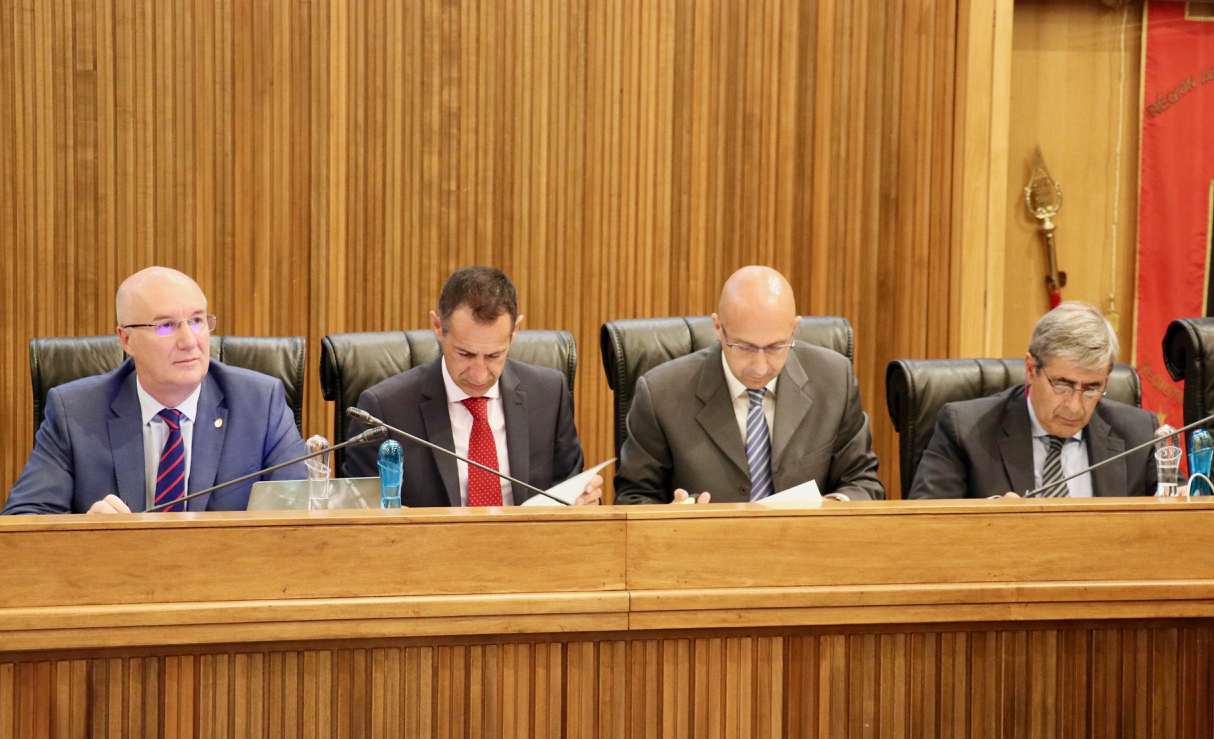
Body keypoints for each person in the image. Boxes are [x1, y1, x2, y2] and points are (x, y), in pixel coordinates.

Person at [2, 267, 307, 515]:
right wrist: (86, 534)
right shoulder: (75, 412)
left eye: (197, 321)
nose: (189, 341)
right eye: (166, 326)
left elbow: (301, 517)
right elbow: (22, 522)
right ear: (126, 340)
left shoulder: (261, 403)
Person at [613, 265, 884, 504]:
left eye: (776, 347)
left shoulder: (834, 379)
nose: (760, 367)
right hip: (704, 545)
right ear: (718, 328)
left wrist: (832, 505)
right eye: (745, 347)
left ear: (794, 329)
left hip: (805, 544)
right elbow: (633, 497)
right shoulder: (661, 393)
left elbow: (862, 481)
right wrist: (670, 519)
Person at [343, 266, 602, 507]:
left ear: (514, 332)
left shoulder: (548, 394)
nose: (479, 375)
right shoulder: (384, 411)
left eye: (494, 356)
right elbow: (357, 514)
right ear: (438, 327)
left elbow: (572, 495)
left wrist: (586, 503)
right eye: (465, 354)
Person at [908, 301, 1158, 499]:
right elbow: (926, 529)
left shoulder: (1139, 435)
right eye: (1062, 385)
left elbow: (1171, 520)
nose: (1074, 406)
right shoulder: (966, 431)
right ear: (1031, 369)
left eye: (1092, 388)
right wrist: (988, 522)